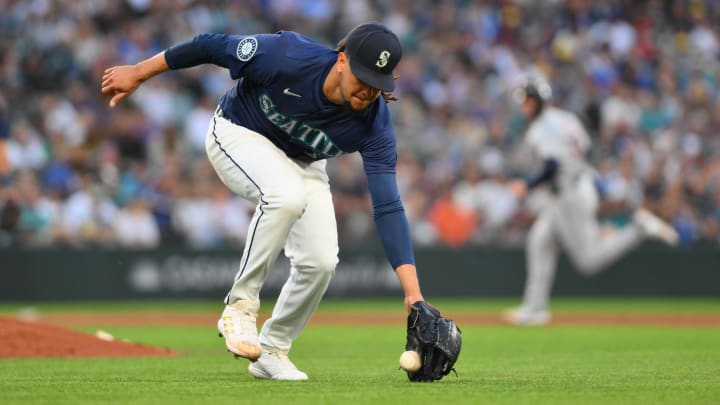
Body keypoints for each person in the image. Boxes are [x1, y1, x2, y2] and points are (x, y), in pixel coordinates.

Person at [101, 22, 429, 380]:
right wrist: (139, 72)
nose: (368, 91)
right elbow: (209, 45)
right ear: (341, 60)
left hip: (302, 162)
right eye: (363, 77)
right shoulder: (286, 56)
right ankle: (240, 307)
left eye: (378, 84)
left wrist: (413, 293)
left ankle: (272, 350)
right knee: (285, 196)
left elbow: (388, 205)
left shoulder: (375, 124)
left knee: (320, 262)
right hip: (238, 131)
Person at [503, 79, 679, 326]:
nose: (525, 106)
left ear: (539, 102)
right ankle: (535, 308)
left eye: (528, 101)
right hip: (577, 185)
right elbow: (585, 150)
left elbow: (553, 165)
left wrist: (527, 185)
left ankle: (639, 228)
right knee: (539, 239)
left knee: (589, 261)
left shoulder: (539, 129)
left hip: (569, 194)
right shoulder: (567, 118)